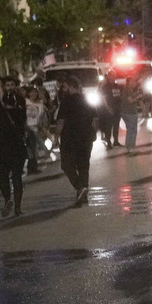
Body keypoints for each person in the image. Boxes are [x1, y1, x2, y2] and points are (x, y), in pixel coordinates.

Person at [53, 77, 98, 207]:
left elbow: (61, 121)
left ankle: (79, 187)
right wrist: (93, 134)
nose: (63, 90)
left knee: (67, 165)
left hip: (70, 139)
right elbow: (95, 119)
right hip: (86, 138)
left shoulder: (66, 101)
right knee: (84, 166)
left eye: (65, 87)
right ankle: (83, 193)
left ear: (72, 87)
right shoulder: (88, 99)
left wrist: (56, 138)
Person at [0, 84, 27, 217]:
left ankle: (8, 199)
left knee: (3, 178)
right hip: (18, 148)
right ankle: (18, 208)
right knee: (17, 177)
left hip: (2, 149)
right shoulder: (20, 112)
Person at [118, 73, 143, 151]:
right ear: (129, 82)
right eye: (133, 81)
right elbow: (130, 100)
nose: (135, 83)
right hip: (130, 112)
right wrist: (138, 97)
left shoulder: (128, 89)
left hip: (126, 112)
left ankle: (129, 146)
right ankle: (131, 147)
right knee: (132, 130)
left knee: (130, 129)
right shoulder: (128, 89)